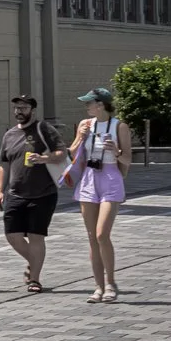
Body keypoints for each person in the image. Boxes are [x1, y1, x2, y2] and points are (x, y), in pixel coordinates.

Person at [0, 93, 65, 292]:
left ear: (32, 111)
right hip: (16, 194)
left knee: (36, 236)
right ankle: (34, 261)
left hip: (43, 193)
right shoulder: (9, 135)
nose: (19, 112)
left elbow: (62, 153)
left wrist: (43, 158)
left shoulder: (44, 129)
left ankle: (34, 278)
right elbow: (4, 166)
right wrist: (1, 191)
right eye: (17, 108)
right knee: (12, 235)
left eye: (24, 108)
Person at [67, 86, 129, 302]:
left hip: (110, 178)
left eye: (89, 103)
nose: (86, 106)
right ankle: (98, 287)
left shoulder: (119, 126)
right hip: (89, 179)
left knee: (102, 234)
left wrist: (116, 151)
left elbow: (127, 160)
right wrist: (80, 138)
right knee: (92, 237)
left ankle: (111, 283)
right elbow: (73, 153)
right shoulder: (85, 125)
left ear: (101, 105)